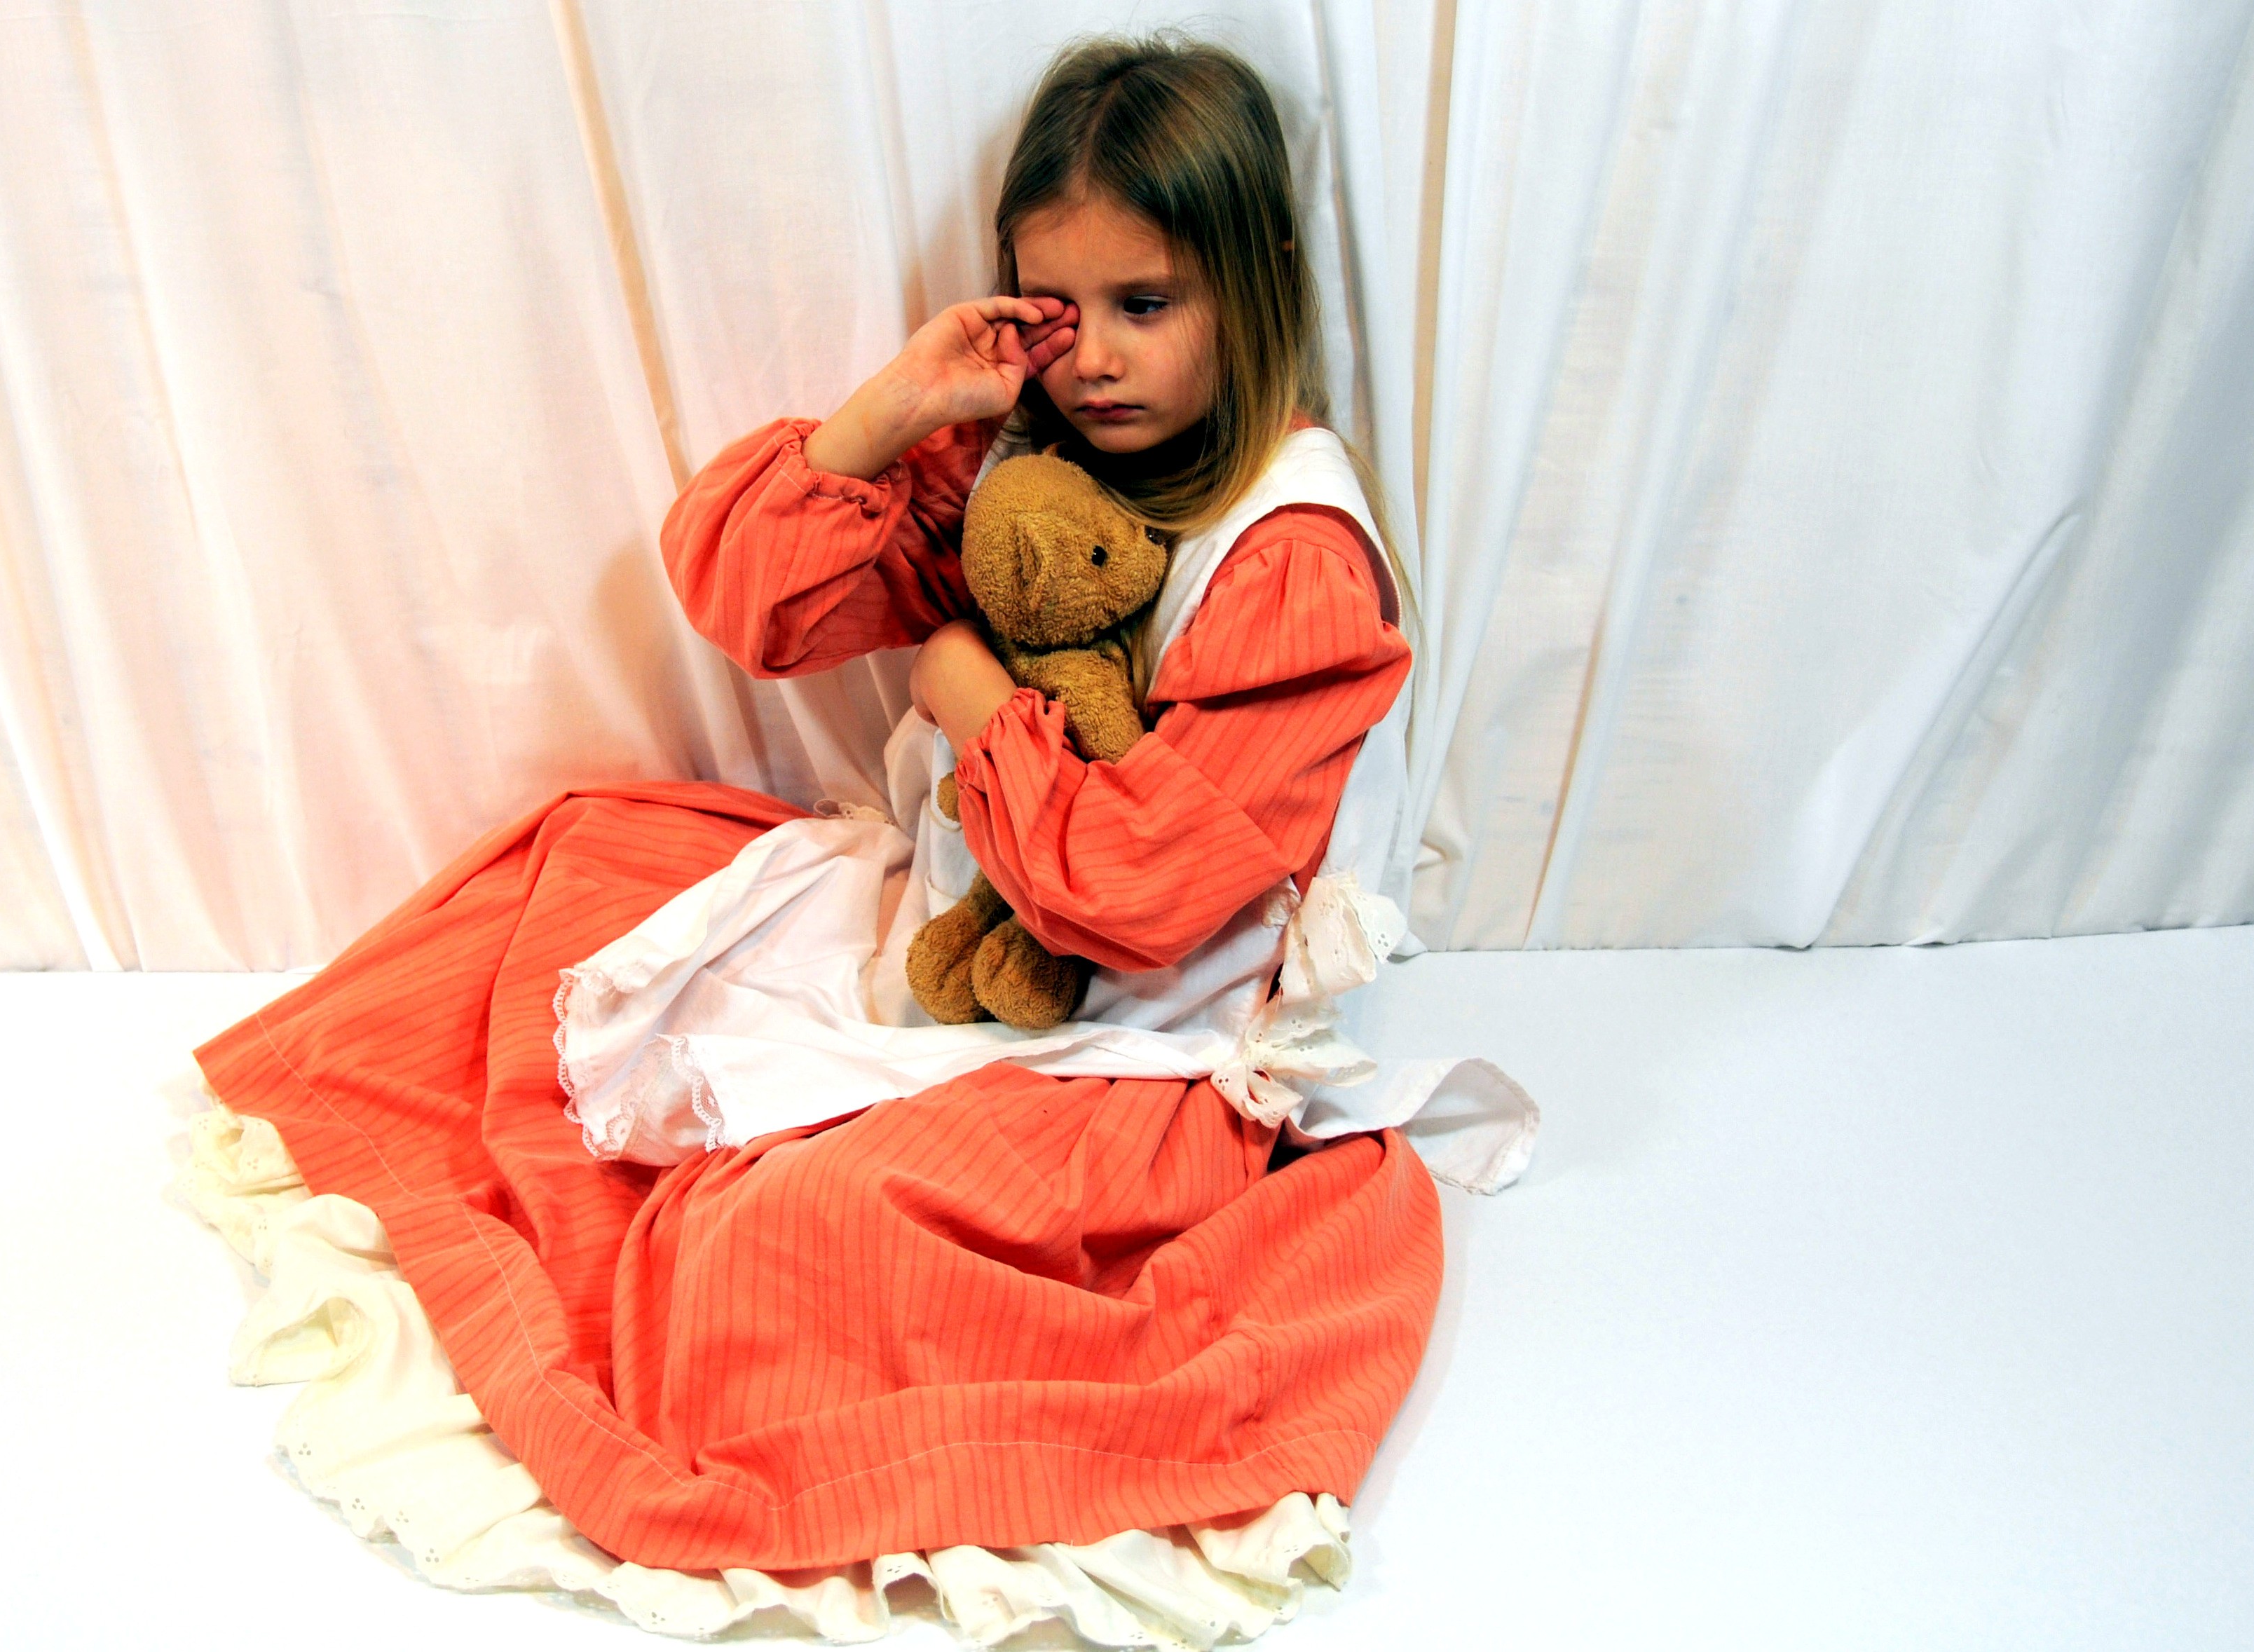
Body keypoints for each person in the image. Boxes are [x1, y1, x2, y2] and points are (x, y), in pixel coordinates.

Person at [192, 35, 1461, 1583]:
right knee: (575, 865)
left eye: (1148, 304)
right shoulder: (1029, 462)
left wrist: (965, 691)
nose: (1099, 362)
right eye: (1064, 310)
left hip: (1138, 1034)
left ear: (1252, 287)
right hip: (954, 917)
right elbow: (755, 605)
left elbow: (1134, 887)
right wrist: (895, 407)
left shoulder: (1291, 556)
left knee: (789, 1240)